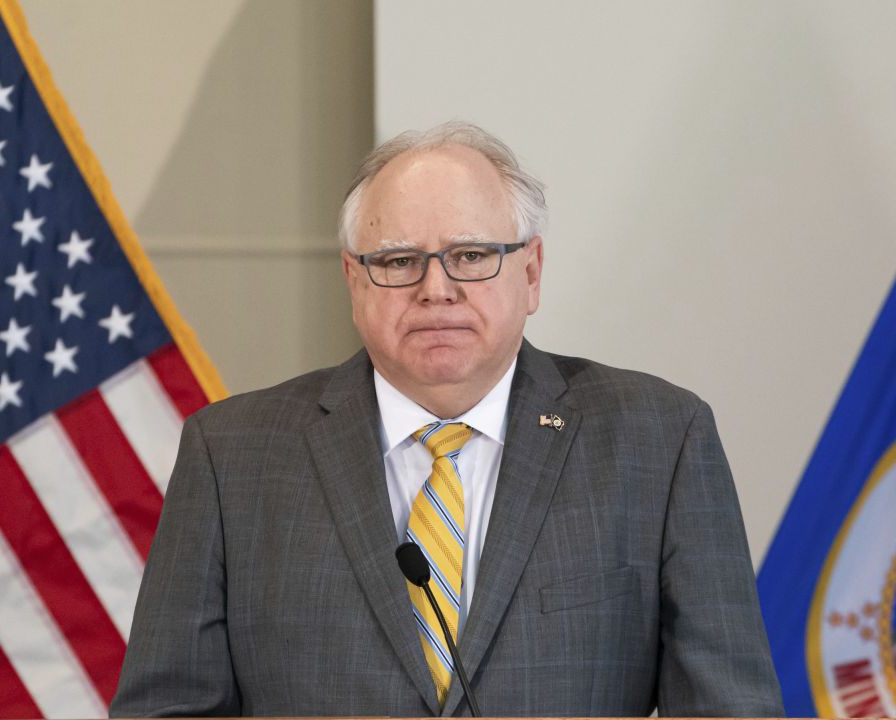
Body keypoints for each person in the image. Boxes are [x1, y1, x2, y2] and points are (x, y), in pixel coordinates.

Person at [110, 121, 783, 717]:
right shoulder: (233, 456)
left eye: (470, 255)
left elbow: (730, 708)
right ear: (353, 280)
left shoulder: (658, 440)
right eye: (399, 261)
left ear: (533, 271)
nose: (437, 289)